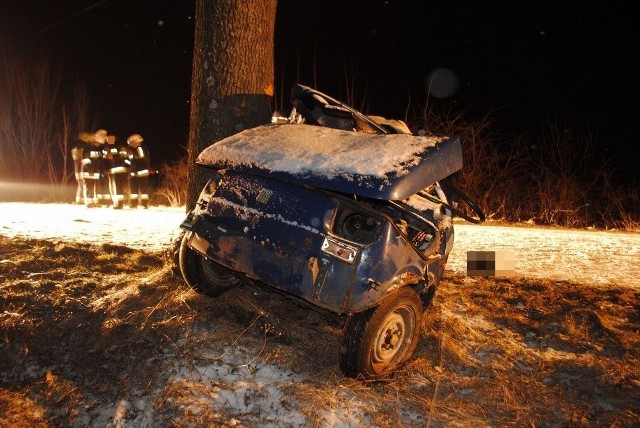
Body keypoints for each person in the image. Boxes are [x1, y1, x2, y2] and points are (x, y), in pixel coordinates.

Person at [80, 129, 108, 207]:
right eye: (98, 143)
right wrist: (90, 170)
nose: (99, 145)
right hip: (88, 172)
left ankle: (95, 202)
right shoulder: (87, 147)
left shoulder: (100, 149)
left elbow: (101, 162)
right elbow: (85, 160)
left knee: (96, 188)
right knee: (89, 187)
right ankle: (89, 203)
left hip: (96, 173)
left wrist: (102, 171)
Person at [104, 135, 131, 209]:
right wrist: (128, 167)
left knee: (115, 187)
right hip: (121, 170)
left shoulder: (109, 148)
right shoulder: (122, 147)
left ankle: (118, 203)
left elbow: (107, 158)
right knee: (120, 187)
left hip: (114, 170)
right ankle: (120, 203)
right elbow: (126, 159)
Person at [127, 134, 150, 208]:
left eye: (131, 143)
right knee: (134, 191)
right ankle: (134, 204)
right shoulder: (132, 151)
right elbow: (131, 162)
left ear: (136, 142)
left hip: (141, 173)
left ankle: (144, 204)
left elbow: (141, 159)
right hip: (134, 174)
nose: (130, 145)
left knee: (143, 190)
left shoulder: (140, 149)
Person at [70, 138, 86, 204]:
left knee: (80, 185)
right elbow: (79, 161)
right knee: (82, 185)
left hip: (78, 170)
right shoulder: (82, 150)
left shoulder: (74, 150)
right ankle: (80, 200)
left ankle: (79, 199)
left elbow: (75, 161)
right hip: (81, 170)